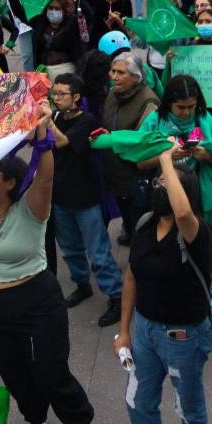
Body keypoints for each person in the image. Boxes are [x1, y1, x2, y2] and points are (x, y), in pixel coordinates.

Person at [0, 105, 101, 424]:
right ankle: (38, 423)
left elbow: (46, 177)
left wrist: (42, 130)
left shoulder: (31, 208)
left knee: (50, 369)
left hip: (36, 299)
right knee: (14, 370)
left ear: (11, 181)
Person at [113, 144, 212, 424]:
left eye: (164, 186)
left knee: (188, 404)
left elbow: (184, 213)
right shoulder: (145, 224)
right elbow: (131, 277)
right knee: (138, 401)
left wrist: (166, 161)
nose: (157, 190)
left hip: (182, 335)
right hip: (144, 330)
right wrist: (124, 331)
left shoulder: (196, 232)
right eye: (156, 185)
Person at [49, 73, 124, 326]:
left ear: (76, 98)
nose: (56, 98)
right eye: (54, 93)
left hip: (85, 198)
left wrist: (45, 119)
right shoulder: (57, 117)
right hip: (60, 196)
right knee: (70, 249)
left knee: (98, 250)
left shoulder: (87, 120)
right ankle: (82, 284)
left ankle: (116, 295)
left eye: (61, 94)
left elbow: (61, 142)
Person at [137, 75, 212, 241]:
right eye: (180, 107)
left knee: (201, 238)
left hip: (200, 193)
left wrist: (207, 155)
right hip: (166, 195)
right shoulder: (154, 121)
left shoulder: (204, 118)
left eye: (191, 106)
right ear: (168, 103)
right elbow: (140, 163)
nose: (186, 112)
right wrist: (165, 157)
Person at [101, 49, 160, 242]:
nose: (114, 77)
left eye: (121, 73)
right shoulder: (113, 93)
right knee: (126, 212)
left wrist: (113, 141)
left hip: (136, 176)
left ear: (136, 77)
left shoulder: (148, 103)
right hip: (116, 172)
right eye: (113, 71)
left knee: (140, 222)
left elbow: (143, 144)